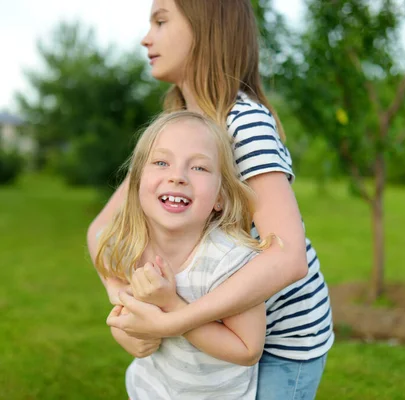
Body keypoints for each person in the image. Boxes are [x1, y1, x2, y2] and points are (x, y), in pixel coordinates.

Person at [87, 1, 334, 398]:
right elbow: (101, 230)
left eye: (161, 21)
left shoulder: (244, 123)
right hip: (208, 326)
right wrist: (127, 308)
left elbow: (286, 256)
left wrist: (170, 320)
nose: (146, 37)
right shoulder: (180, 127)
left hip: (280, 342)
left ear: (207, 29)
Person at [95, 110, 270, 399]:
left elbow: (248, 349)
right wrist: (122, 329)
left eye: (199, 168)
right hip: (148, 390)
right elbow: (111, 274)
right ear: (137, 182)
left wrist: (171, 306)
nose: (177, 177)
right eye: (162, 162)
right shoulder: (131, 243)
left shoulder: (230, 260)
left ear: (219, 197)